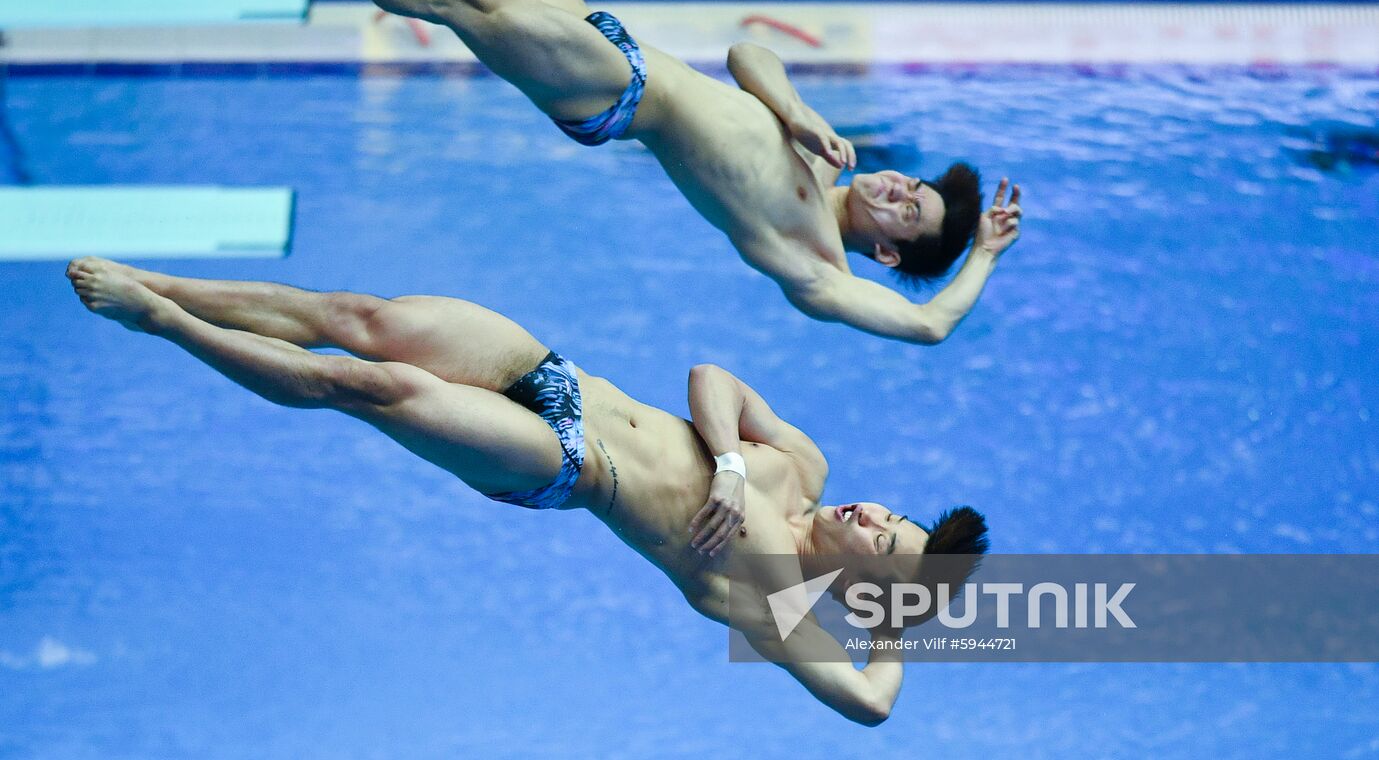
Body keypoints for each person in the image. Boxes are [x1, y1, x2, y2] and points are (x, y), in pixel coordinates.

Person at [66, 257, 988, 724]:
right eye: (893, 512)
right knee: (356, 319)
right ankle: (157, 277)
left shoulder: (777, 608)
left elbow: (870, 708)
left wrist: (895, 634)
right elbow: (714, 375)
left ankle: (163, 321)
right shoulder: (803, 465)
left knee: (364, 385)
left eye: (884, 539)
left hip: (556, 461)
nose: (872, 513)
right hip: (555, 376)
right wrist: (733, 460)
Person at [190, 0, 1023, 344]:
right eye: (909, 186)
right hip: (606, 29)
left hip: (613, 92)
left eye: (905, 215)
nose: (895, 191)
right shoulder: (817, 150)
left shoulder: (812, 261)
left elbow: (928, 329)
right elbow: (747, 53)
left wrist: (980, 253)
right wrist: (794, 109)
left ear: (885, 253)